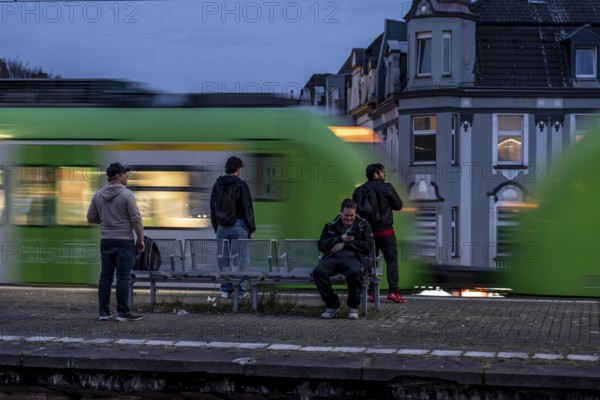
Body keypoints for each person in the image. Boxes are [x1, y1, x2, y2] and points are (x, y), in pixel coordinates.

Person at [87, 162, 145, 322]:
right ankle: (123, 312)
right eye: (125, 174)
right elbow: (135, 218)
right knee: (122, 277)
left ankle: (103, 312)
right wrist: (140, 238)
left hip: (106, 240)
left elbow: (91, 217)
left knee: (105, 276)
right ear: (118, 176)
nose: (127, 176)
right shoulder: (127, 195)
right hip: (124, 241)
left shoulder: (98, 194)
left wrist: (106, 221)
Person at [353, 163, 405, 303]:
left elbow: (354, 210)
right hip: (385, 231)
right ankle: (394, 292)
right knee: (391, 260)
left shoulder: (359, 190)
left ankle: (371, 293)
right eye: (382, 172)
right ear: (375, 174)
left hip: (368, 233)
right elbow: (399, 205)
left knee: (370, 261)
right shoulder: (387, 187)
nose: (384, 174)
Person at [313, 199, 373, 320]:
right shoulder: (330, 226)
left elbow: (367, 246)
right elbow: (322, 245)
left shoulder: (363, 225)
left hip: (353, 258)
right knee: (318, 272)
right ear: (340, 213)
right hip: (333, 258)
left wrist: (345, 245)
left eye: (352, 215)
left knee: (355, 272)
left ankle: (353, 307)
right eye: (346, 215)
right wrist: (340, 239)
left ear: (355, 213)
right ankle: (332, 305)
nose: (349, 218)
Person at [210, 156, 256, 299]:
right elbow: (248, 208)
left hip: (222, 228)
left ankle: (225, 290)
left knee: (223, 260)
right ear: (237, 169)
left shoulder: (217, 185)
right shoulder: (241, 185)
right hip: (239, 226)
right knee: (240, 259)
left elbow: (212, 208)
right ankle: (241, 290)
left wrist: (217, 228)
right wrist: (251, 228)